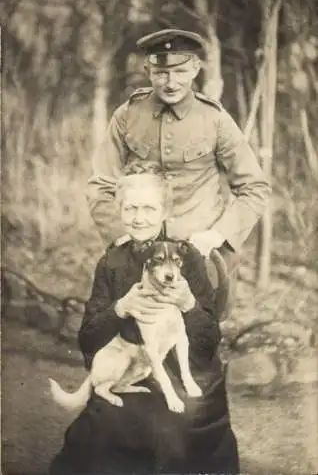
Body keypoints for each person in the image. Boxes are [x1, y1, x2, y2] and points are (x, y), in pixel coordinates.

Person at [50, 161, 240, 475]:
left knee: (170, 431)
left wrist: (188, 303)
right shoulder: (111, 261)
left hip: (183, 373)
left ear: (165, 211)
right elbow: (88, 338)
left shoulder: (187, 256)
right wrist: (120, 308)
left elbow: (208, 342)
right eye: (131, 208)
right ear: (119, 210)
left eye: (150, 209)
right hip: (130, 370)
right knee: (102, 428)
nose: (139, 218)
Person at [86, 28, 271, 314]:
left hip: (201, 255)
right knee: (132, 341)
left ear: (196, 68)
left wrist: (218, 235)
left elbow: (255, 188)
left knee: (198, 344)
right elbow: (101, 184)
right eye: (161, 73)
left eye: (181, 71)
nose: (171, 82)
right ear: (147, 71)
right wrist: (120, 235)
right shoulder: (127, 115)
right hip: (140, 255)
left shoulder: (215, 119)